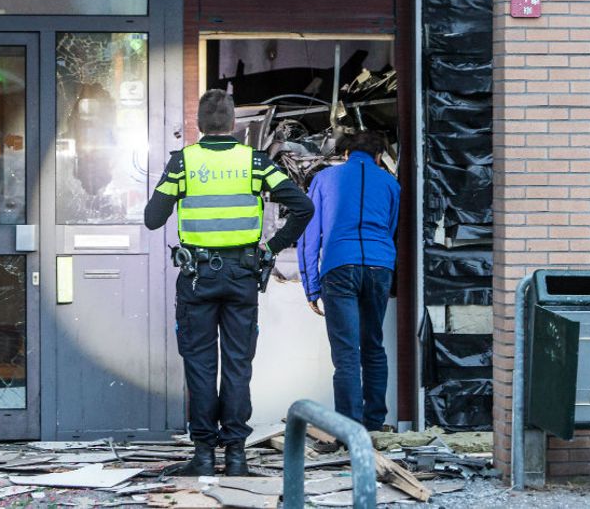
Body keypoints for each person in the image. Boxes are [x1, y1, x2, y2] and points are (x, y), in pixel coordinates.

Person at [144, 89, 313, 476]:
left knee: (201, 366)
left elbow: (153, 218)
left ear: (199, 125)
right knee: (238, 366)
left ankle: (204, 456)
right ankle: (236, 456)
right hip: (242, 276)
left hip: (197, 277)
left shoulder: (183, 163)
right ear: (233, 123)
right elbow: (304, 206)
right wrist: (272, 248)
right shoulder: (255, 162)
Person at [297, 130, 400, 432]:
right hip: (380, 267)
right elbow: (390, 229)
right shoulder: (391, 184)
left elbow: (309, 237)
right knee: (373, 345)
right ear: (379, 156)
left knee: (346, 353)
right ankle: (374, 423)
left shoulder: (325, 180)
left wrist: (311, 285)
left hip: (339, 266)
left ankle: (349, 429)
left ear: (345, 154)